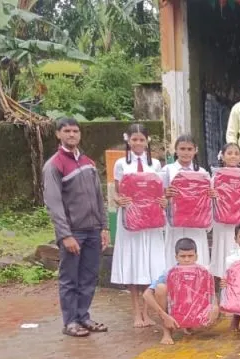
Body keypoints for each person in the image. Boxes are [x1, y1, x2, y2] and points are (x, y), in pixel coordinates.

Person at [42, 117, 110, 338]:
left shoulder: (89, 163)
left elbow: (100, 198)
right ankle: (70, 321)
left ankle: (83, 316)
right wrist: (65, 235)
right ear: (58, 134)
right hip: (73, 232)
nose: (72, 135)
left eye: (75, 131)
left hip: (93, 230)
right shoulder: (54, 165)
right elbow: (54, 204)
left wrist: (104, 227)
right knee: (70, 278)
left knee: (89, 276)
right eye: (67, 131)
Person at [111, 123, 166, 328]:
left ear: (147, 141)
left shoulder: (156, 165)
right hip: (131, 222)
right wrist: (118, 201)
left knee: (149, 266)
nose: (138, 143)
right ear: (128, 140)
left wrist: (163, 202)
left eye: (141, 139)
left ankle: (147, 312)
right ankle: (136, 314)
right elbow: (116, 191)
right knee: (134, 264)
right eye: (134, 139)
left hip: (151, 221)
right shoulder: (120, 164)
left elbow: (160, 192)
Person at [143, 238, 221, 346]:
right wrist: (164, 315)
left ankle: (189, 325)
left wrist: (215, 307)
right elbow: (146, 295)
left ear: (196, 256)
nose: (187, 260)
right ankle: (167, 332)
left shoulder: (202, 272)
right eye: (183, 256)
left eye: (190, 256)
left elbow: (210, 292)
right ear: (176, 257)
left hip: (193, 307)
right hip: (174, 307)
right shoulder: (169, 272)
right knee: (161, 288)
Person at [162, 134, 211, 269]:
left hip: (197, 223)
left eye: (189, 149)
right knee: (174, 254)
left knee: (198, 253)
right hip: (175, 223)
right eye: (182, 149)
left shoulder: (203, 172)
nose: (186, 152)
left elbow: (207, 200)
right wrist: (166, 194)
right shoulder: (167, 170)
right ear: (176, 150)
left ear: (195, 150)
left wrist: (210, 195)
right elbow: (160, 196)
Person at [209, 143, 240, 282]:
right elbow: (209, 199)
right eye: (229, 153)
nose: (233, 156)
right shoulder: (216, 177)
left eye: (236, 153)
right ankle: (222, 296)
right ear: (223, 157)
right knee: (222, 255)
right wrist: (211, 195)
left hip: (239, 223)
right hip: (222, 224)